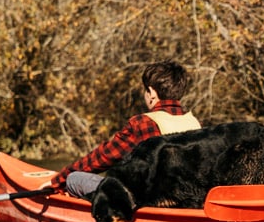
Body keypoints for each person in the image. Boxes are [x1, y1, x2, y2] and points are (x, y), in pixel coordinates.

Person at [47, 60, 202, 199]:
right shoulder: (194, 123)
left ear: (151, 93)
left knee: (74, 178)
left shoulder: (143, 123)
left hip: (149, 200)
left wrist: (58, 180)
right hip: (184, 199)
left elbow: (102, 157)